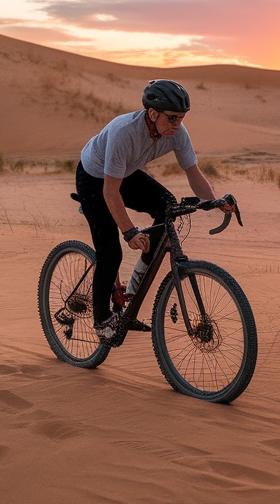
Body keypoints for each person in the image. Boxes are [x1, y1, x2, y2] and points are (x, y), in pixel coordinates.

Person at [75, 79, 229, 344]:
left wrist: (213, 202)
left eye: (180, 118)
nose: (176, 125)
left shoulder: (177, 133)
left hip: (127, 173)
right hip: (95, 178)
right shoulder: (125, 132)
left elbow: (193, 172)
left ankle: (131, 293)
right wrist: (129, 232)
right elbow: (110, 192)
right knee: (110, 252)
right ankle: (101, 320)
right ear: (152, 113)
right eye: (171, 118)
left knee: (167, 207)